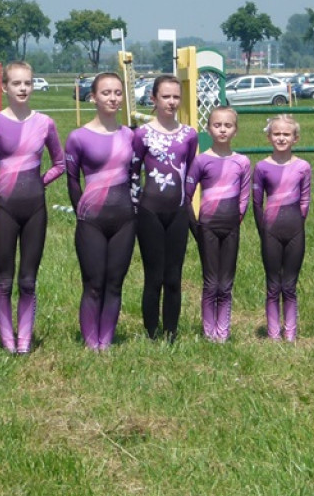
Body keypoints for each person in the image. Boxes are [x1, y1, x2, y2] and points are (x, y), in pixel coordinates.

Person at [0, 61, 64, 353]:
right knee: (4, 279)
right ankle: (6, 338)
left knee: (28, 279)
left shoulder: (45, 123)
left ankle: (25, 338)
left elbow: (60, 164)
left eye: (28, 83)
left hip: (35, 208)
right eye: (17, 84)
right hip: (5, 209)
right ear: (4, 87)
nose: (23, 88)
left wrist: (40, 181)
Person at [64, 72, 137, 350]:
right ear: (93, 97)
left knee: (115, 283)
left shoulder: (130, 136)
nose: (113, 98)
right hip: (91, 220)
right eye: (106, 93)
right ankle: (90, 342)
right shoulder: (78, 137)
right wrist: (82, 213)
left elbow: (134, 176)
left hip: (124, 220)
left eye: (117, 93)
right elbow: (72, 180)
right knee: (93, 283)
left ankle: (105, 342)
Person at [132, 75, 198, 341]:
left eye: (175, 97)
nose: (171, 102)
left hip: (178, 212)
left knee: (174, 276)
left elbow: (192, 173)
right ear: (154, 99)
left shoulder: (189, 135)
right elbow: (133, 173)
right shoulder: (143, 134)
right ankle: (151, 332)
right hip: (149, 212)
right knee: (154, 276)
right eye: (165, 97)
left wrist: (189, 206)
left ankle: (171, 332)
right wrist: (135, 209)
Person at [185, 107, 250, 342]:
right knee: (211, 281)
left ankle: (223, 331)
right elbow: (187, 194)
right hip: (207, 227)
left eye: (228, 125)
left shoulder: (242, 162)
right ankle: (208, 331)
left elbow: (244, 197)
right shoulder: (201, 161)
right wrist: (196, 227)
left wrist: (236, 219)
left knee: (226, 283)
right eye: (217, 125)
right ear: (209, 129)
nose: (222, 129)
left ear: (235, 130)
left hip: (231, 227)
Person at [252, 115, 311, 341]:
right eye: (276, 134)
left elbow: (305, 201)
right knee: (273, 283)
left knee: (290, 284)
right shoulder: (262, 167)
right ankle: (273, 331)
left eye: (286, 134)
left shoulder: (303, 167)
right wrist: (263, 230)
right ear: (269, 137)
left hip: (295, 230)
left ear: (295, 138)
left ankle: (291, 331)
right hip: (271, 231)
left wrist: (297, 222)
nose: (281, 138)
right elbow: (257, 203)